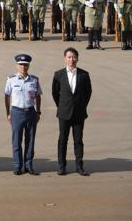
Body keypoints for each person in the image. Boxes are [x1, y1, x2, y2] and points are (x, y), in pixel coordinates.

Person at [52, 47, 92, 176]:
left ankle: (79, 166)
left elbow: (88, 93)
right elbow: (55, 93)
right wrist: (62, 106)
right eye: (69, 57)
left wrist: (81, 105)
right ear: (65, 59)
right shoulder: (58, 74)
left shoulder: (84, 75)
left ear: (77, 58)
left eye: (74, 57)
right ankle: (62, 166)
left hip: (79, 113)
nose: (72, 59)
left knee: (78, 140)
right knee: (62, 140)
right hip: (64, 113)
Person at [4, 53, 42, 176]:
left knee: (30, 140)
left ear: (28, 65)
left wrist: (38, 111)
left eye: (25, 65)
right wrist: (8, 113)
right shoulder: (11, 79)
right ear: (17, 65)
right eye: (21, 64)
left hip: (30, 111)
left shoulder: (34, 80)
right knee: (17, 140)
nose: (23, 67)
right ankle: (17, 166)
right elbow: (7, 96)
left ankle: (29, 165)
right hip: (17, 112)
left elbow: (37, 96)